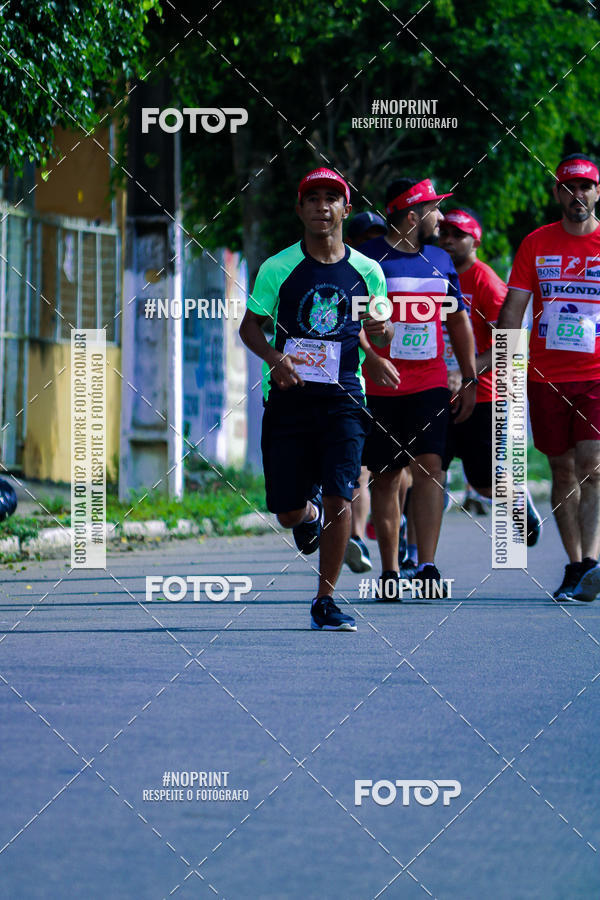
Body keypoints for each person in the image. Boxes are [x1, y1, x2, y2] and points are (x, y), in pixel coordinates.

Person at [239, 167, 393, 629]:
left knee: (340, 494)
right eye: (312, 199)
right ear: (299, 209)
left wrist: (381, 330)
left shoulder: (368, 272)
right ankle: (305, 515)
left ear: (345, 208)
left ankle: (324, 600)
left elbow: (379, 328)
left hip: (345, 397)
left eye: (332, 198)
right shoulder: (278, 268)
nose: (322, 207)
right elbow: (250, 327)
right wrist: (274, 359)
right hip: (288, 400)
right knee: (286, 510)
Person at [480, 154, 600, 601]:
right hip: (545, 376)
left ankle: (591, 562)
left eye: (585, 187)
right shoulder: (537, 243)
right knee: (562, 469)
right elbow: (513, 310)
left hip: (596, 375)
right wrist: (504, 369)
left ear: (597, 192)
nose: (577, 195)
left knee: (593, 466)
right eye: (568, 188)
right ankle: (574, 566)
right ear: (557, 194)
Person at [360, 177, 477, 597]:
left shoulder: (440, 261)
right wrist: (372, 359)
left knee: (432, 469)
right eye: (434, 210)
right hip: (380, 387)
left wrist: (469, 377)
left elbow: (457, 320)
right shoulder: (367, 260)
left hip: (429, 384)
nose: (441, 218)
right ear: (412, 217)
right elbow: (351, 319)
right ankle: (390, 572)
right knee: (387, 477)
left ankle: (427, 566)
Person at [438, 207, 543, 545]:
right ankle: (417, 558)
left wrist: (466, 373)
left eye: (458, 235)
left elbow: (510, 345)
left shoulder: (486, 282)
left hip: (483, 396)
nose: (449, 240)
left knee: (483, 480)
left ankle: (515, 497)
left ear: (476, 241)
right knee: (427, 470)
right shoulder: (434, 274)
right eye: (445, 234)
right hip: (435, 391)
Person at [343, 210, 400, 573]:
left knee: (395, 472)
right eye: (367, 240)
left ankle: (397, 537)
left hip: (399, 382)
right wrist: (371, 352)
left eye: (380, 238)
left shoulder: (392, 271)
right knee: (359, 469)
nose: (374, 246)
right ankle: (358, 538)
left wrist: (384, 334)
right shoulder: (347, 271)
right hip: (355, 381)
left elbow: (385, 327)